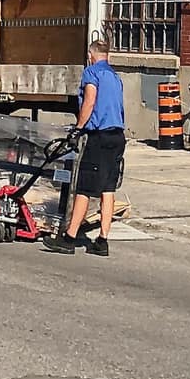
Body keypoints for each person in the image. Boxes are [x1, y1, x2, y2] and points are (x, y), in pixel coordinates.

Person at [43, 39, 125, 257]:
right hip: (117, 137)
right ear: (108, 56)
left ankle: (69, 238)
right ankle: (102, 240)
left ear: (91, 55)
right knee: (108, 188)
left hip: (99, 137)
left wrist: (78, 128)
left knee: (84, 188)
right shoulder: (116, 78)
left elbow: (89, 100)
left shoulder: (92, 73)